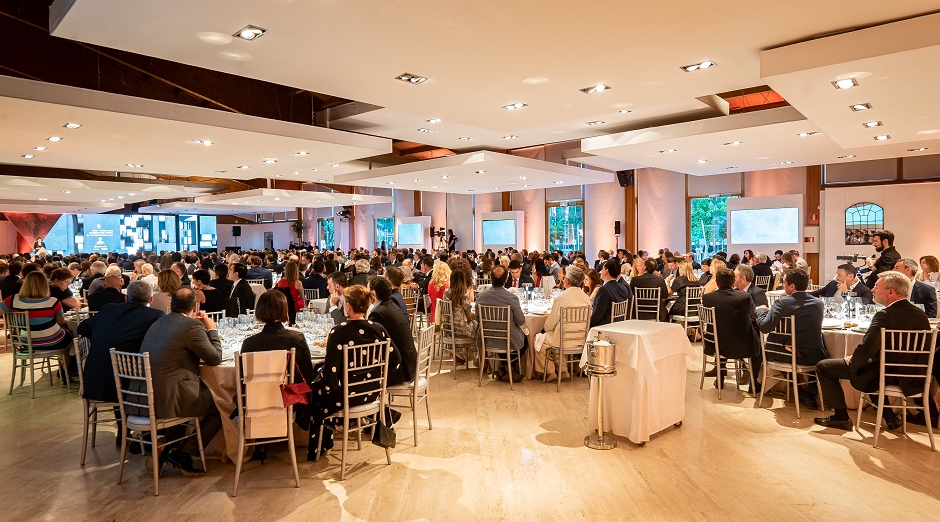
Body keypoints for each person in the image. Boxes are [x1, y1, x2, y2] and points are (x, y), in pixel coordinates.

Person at [814, 271, 929, 430]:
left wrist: (853, 362)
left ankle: (840, 417)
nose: (872, 290)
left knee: (823, 367)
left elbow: (866, 347)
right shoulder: (920, 314)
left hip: (886, 374)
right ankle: (890, 418)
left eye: (876, 286)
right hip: (913, 375)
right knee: (868, 364)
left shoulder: (885, 315)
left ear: (890, 291)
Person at [307, 285, 400, 460]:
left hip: (347, 396)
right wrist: (380, 379)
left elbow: (331, 373)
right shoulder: (378, 328)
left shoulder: (339, 331)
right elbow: (395, 359)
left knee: (316, 392)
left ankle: (323, 445)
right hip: (372, 392)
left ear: (348, 306)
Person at [135, 288, 221, 475]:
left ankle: (167, 446)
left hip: (142, 397)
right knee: (219, 407)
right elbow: (215, 358)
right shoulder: (191, 326)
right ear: (195, 306)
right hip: (167, 397)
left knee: (187, 393)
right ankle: (184, 453)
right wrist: (211, 329)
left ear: (172, 304)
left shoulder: (159, 322)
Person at [240, 290, 315, 442]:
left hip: (255, 401)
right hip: (289, 400)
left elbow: (243, 379)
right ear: (284, 310)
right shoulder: (297, 338)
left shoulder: (249, 343)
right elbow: (308, 374)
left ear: (260, 311)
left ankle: (259, 443)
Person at [78, 281, 164, 405]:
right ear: (151, 299)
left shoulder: (108, 309)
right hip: (129, 386)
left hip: (94, 381)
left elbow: (81, 329)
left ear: (126, 298)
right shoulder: (155, 316)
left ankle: (122, 417)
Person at [755, 268, 828, 406]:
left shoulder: (782, 303)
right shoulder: (818, 303)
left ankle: (799, 392)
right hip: (815, 354)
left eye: (784, 283)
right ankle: (811, 393)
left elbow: (764, 327)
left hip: (791, 354)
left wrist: (760, 311)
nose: (783, 285)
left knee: (768, 346)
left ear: (792, 286)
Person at [701, 268, 761, 390]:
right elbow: (754, 315)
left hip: (714, 344)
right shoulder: (744, 297)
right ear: (734, 281)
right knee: (758, 344)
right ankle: (754, 383)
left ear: (716, 282)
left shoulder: (707, 298)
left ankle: (720, 378)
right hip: (741, 345)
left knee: (721, 331)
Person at [536, 265, 592, 381]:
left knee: (540, 341)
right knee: (554, 337)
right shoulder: (587, 298)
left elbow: (549, 324)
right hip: (581, 338)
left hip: (562, 339)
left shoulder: (562, 298)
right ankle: (563, 370)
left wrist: (545, 329)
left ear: (567, 281)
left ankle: (549, 372)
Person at [0, 271, 73, 355]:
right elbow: (60, 321)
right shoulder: (53, 302)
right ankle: (69, 362)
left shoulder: (12, 300)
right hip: (54, 341)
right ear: (45, 285)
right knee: (71, 335)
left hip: (26, 342)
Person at [475, 266, 526, 382]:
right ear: (506, 279)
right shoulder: (512, 298)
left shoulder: (480, 297)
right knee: (525, 339)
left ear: (491, 278)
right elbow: (521, 321)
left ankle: (504, 368)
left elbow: (477, 319)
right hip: (508, 340)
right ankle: (509, 367)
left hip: (487, 339)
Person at [368, 276, 417, 386]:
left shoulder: (378, 313)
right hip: (411, 365)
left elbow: (370, 342)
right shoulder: (391, 304)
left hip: (400, 371)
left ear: (373, 293)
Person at [441, 268, 478, 364]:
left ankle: (461, 355)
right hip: (460, 330)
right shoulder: (464, 296)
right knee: (479, 328)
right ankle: (479, 360)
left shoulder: (446, 293)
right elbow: (468, 317)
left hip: (448, 328)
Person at [590, 259, 632, 327]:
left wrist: (587, 324)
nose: (601, 271)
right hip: (620, 324)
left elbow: (598, 314)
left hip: (605, 325)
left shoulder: (604, 290)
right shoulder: (623, 288)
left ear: (606, 271)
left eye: (602, 269)